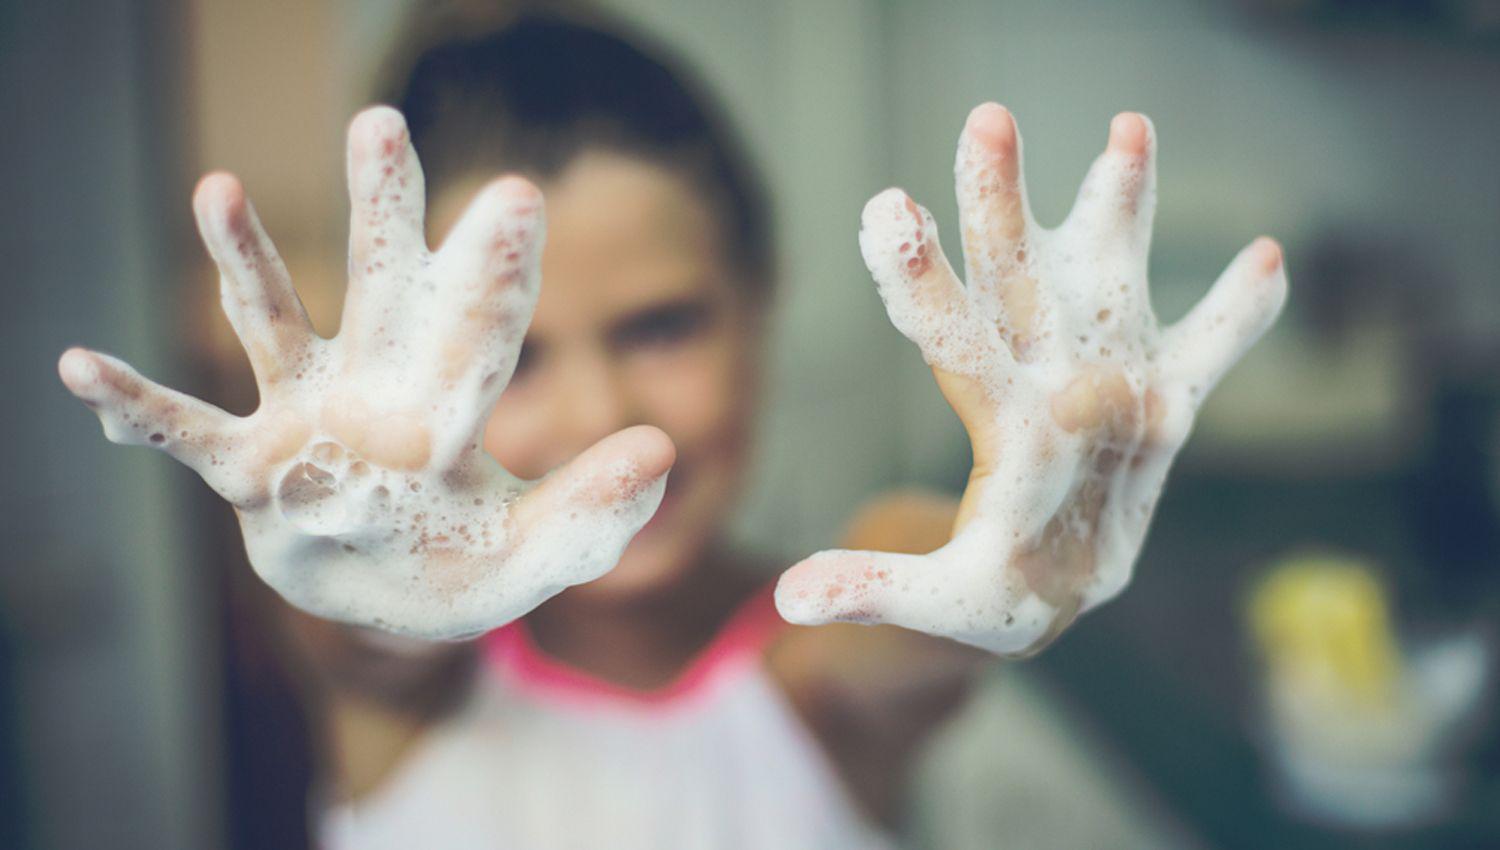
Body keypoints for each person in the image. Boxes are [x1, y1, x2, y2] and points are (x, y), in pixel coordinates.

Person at [57, 6, 1287, 848]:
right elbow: (358, 648)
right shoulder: (405, 679)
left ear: (762, 301)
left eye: (661, 324)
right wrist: (349, 568)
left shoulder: (815, 667)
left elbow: (911, 594)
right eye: (518, 357)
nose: (603, 417)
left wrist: (1006, 553)